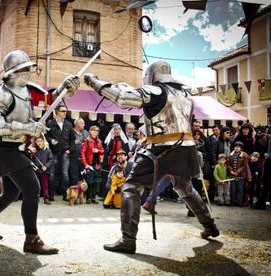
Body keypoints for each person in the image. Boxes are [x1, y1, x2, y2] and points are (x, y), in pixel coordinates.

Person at [84, 60, 218, 254]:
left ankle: (127, 239)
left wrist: (94, 82)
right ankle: (210, 226)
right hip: (186, 148)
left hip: (162, 148)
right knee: (185, 188)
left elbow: (122, 98)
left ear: (152, 76)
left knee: (131, 187)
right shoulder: (184, 95)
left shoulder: (156, 91)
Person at [0, 49, 79, 254]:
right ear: (11, 71)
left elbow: (50, 99)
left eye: (27, 68)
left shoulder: (26, 91)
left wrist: (65, 88)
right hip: (3, 148)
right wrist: (26, 128)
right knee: (32, 187)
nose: (27, 72)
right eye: (22, 68)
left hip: (19, 148)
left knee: (12, 193)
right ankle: (31, 239)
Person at [46, 104, 75, 200]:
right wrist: (51, 141)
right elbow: (45, 136)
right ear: (57, 112)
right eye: (63, 111)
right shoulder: (50, 123)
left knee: (65, 174)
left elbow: (72, 140)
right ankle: (51, 195)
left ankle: (65, 195)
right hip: (53, 152)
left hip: (64, 152)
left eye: (66, 111)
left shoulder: (68, 124)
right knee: (51, 174)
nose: (65, 113)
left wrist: (69, 150)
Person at [80, 125, 105, 204]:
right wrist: (85, 164)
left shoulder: (99, 141)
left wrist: (98, 151)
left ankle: (94, 197)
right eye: (94, 130)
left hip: (97, 163)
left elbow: (103, 151)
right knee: (89, 181)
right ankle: (88, 197)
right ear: (90, 131)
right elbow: (82, 153)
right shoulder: (86, 141)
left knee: (95, 182)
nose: (95, 132)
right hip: (89, 164)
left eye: (97, 131)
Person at [32, 136, 54, 205]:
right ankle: (36, 198)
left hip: (44, 171)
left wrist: (46, 166)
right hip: (36, 170)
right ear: (35, 142)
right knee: (36, 185)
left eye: (40, 141)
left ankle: (46, 198)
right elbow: (31, 160)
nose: (39, 143)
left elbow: (51, 160)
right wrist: (33, 166)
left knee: (45, 185)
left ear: (43, 141)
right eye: (37, 141)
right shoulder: (34, 150)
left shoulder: (48, 150)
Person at [227, 141, 249, 206]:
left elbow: (244, 166)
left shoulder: (245, 155)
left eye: (238, 147)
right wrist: (231, 171)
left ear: (241, 148)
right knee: (232, 189)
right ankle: (232, 202)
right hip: (232, 175)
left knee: (240, 189)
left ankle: (239, 202)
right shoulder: (230, 155)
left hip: (240, 175)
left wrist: (237, 172)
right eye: (235, 147)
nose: (236, 148)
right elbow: (228, 164)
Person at [69, 118, 89, 187]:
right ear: (77, 124)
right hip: (73, 158)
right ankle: (73, 193)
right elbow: (65, 142)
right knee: (74, 177)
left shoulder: (86, 133)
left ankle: (81, 193)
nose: (84, 125)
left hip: (83, 159)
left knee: (83, 176)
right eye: (82, 123)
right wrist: (71, 143)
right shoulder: (71, 132)